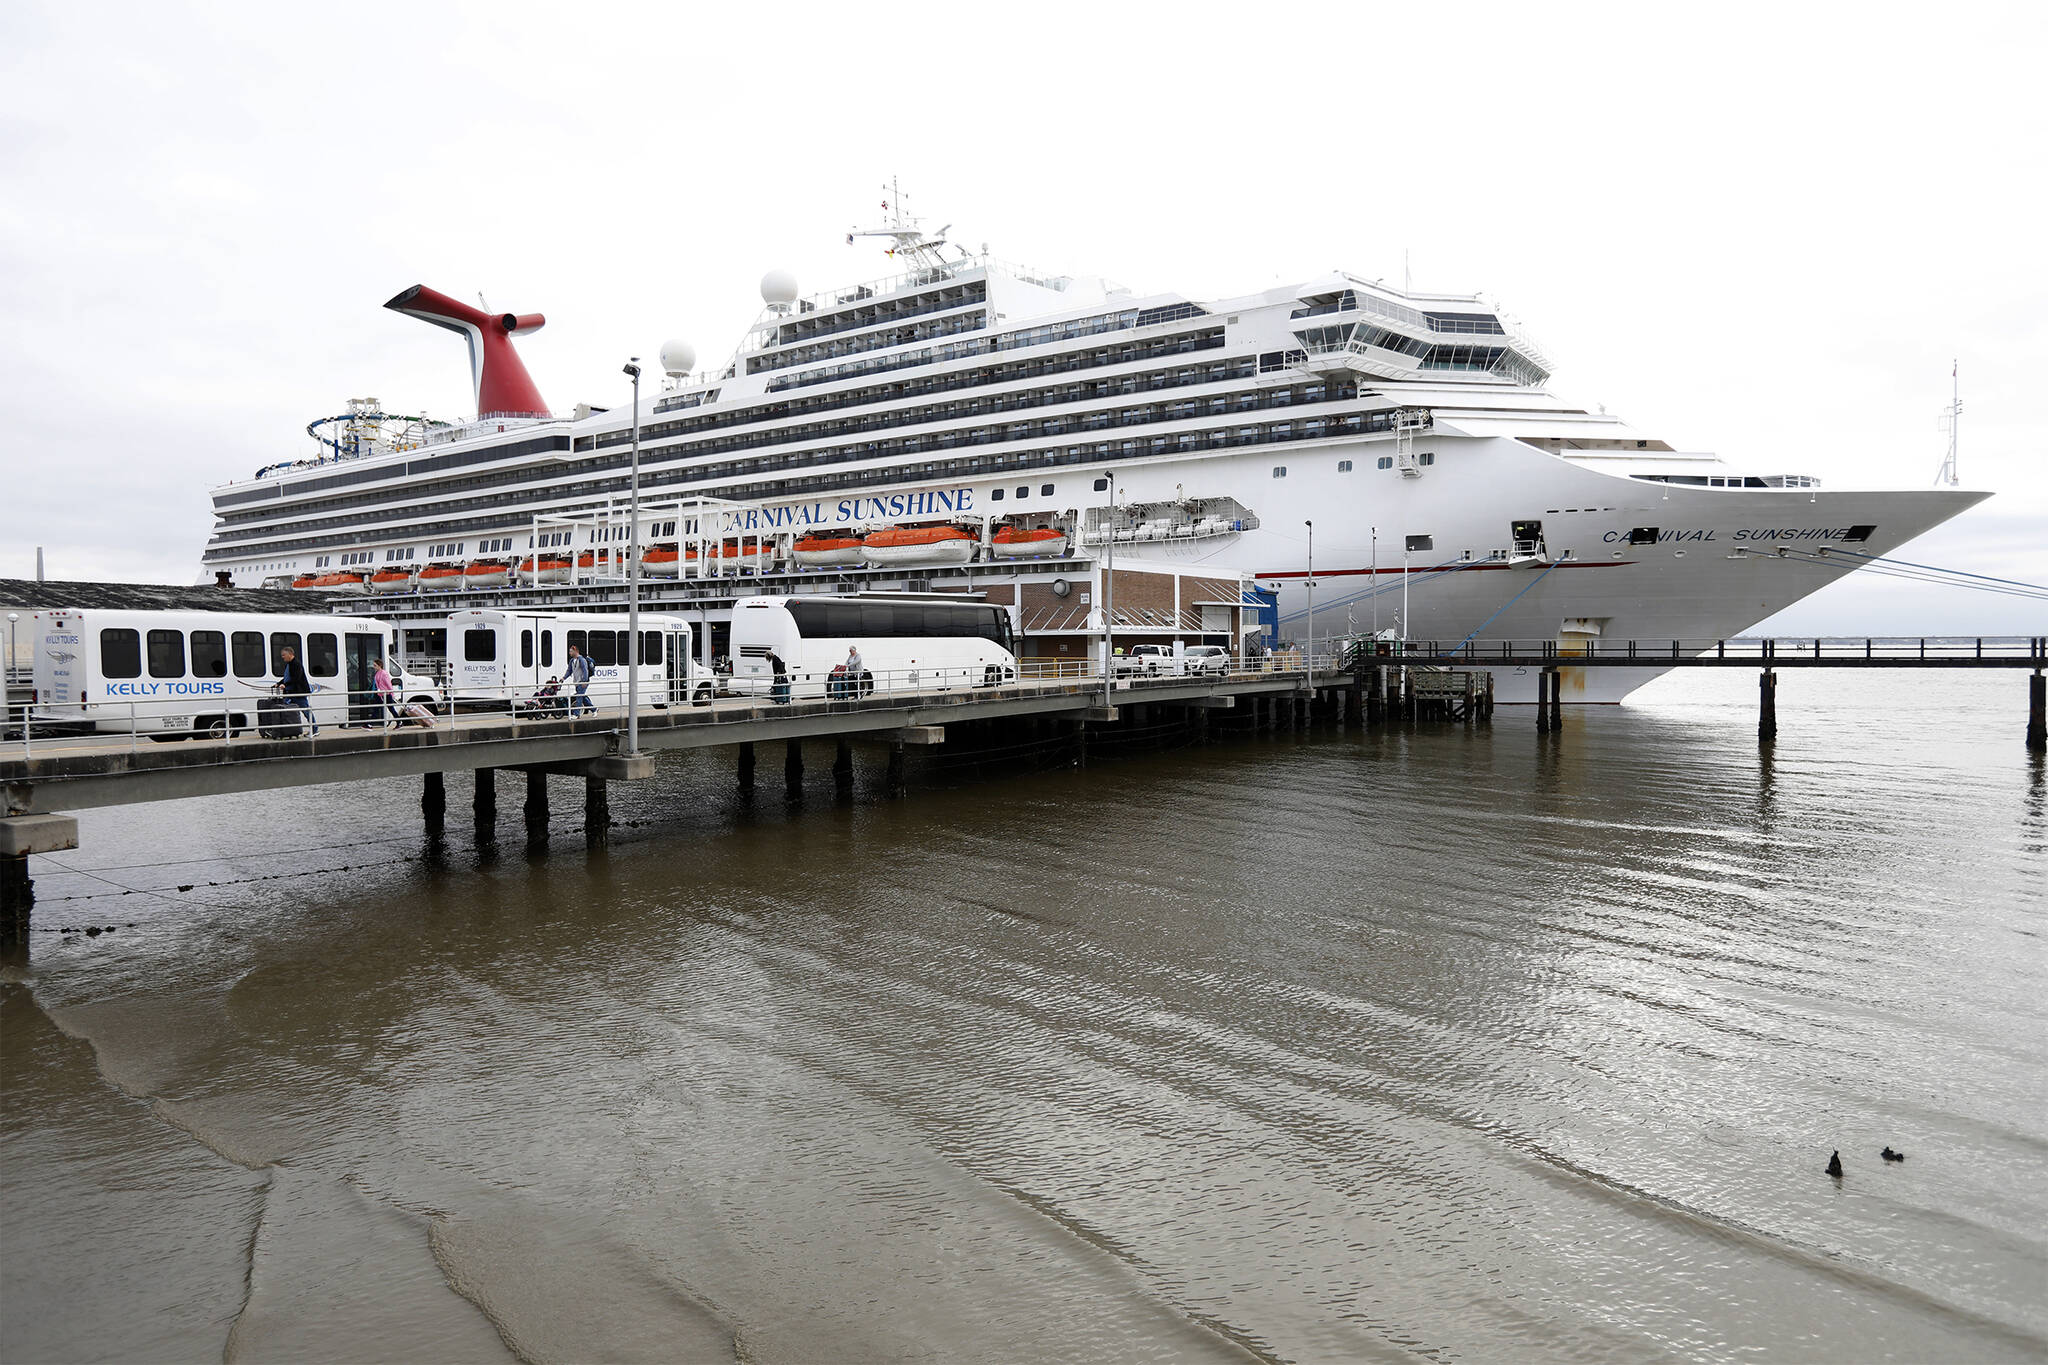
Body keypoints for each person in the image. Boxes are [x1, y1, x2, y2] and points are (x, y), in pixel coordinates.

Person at [276, 645, 316, 735]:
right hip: (291, 693)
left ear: (290, 654)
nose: (282, 657)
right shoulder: (289, 664)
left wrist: (284, 685)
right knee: (285, 710)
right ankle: (285, 731)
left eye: (283, 655)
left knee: (306, 711)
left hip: (298, 693)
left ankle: (314, 729)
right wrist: (278, 683)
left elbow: (296, 678)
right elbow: (287, 678)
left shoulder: (296, 664)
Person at [565, 642, 594, 715]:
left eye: (571, 651)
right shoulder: (572, 661)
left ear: (576, 651)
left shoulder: (582, 660)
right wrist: (563, 678)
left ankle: (576, 714)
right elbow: (569, 671)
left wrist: (584, 681)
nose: (569, 653)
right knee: (582, 697)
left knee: (579, 698)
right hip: (577, 682)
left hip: (582, 682)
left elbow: (585, 670)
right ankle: (594, 709)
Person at [372, 657, 400, 728]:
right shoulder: (377, 673)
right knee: (377, 709)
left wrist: (392, 694)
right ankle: (369, 724)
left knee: (390, 709)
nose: (374, 667)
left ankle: (369, 724)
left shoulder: (384, 673)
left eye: (375, 665)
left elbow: (389, 684)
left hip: (386, 694)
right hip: (381, 694)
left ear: (379, 665)